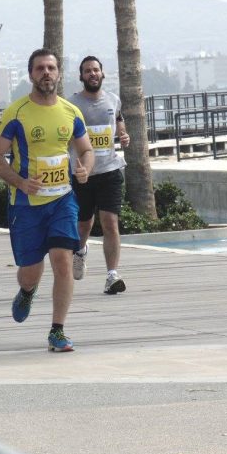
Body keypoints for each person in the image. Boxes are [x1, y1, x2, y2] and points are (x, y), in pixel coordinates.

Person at [0, 48, 94, 353]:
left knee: (62, 260)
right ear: (31, 74)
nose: (46, 72)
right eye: (40, 68)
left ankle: (57, 330)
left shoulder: (71, 112)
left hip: (62, 199)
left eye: (51, 67)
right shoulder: (16, 113)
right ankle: (26, 290)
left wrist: (85, 168)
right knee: (31, 272)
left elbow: (86, 150)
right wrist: (21, 182)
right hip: (26, 205)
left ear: (58, 73)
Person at [69, 56, 131, 295]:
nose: (92, 74)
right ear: (81, 76)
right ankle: (80, 250)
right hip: (83, 174)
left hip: (110, 170)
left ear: (102, 74)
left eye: (96, 70)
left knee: (110, 222)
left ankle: (112, 275)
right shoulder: (72, 105)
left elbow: (118, 120)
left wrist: (123, 135)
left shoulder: (113, 99)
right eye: (87, 71)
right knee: (84, 224)